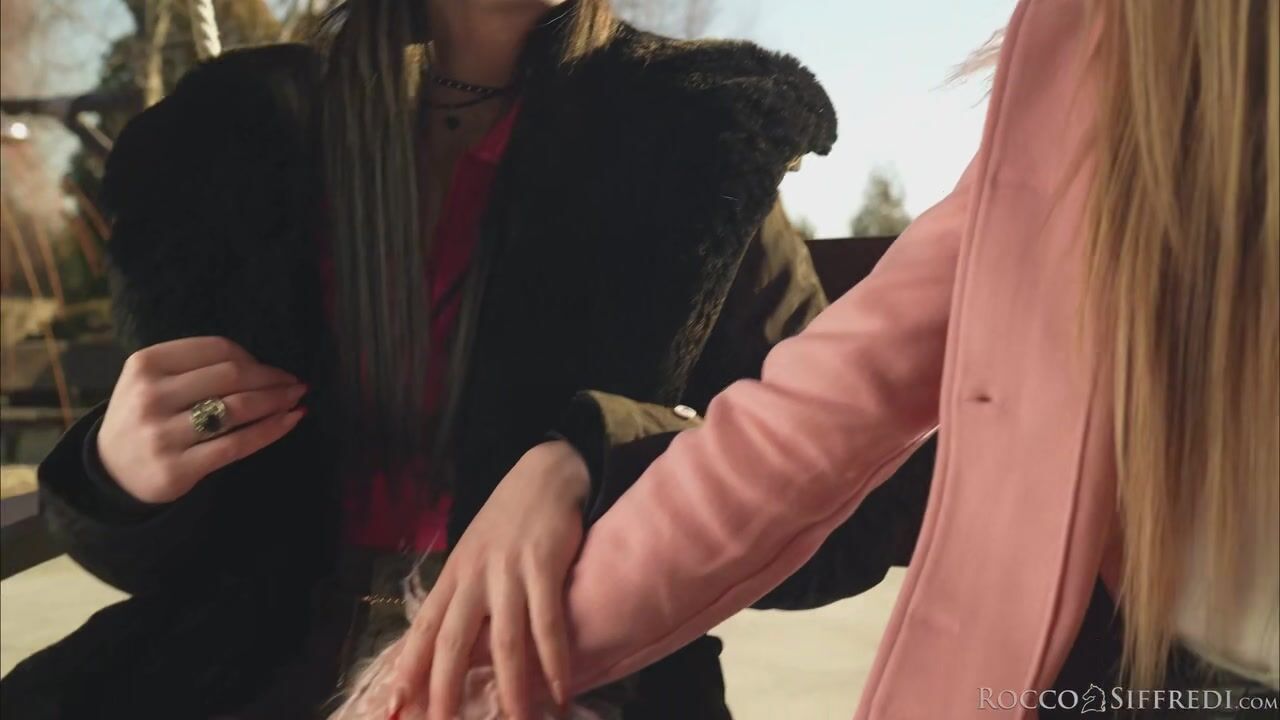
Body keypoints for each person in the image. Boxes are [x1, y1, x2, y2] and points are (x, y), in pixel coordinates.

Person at [0, 0, 939, 718]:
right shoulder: (227, 139)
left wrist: (599, 465)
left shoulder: (697, 137)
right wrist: (115, 477)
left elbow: (854, 506)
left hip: (559, 670)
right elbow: (149, 555)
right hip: (234, 662)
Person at [375, 0, 1280, 718]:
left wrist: (593, 460)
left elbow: (842, 479)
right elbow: (826, 409)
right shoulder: (281, 127)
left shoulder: (706, 134)